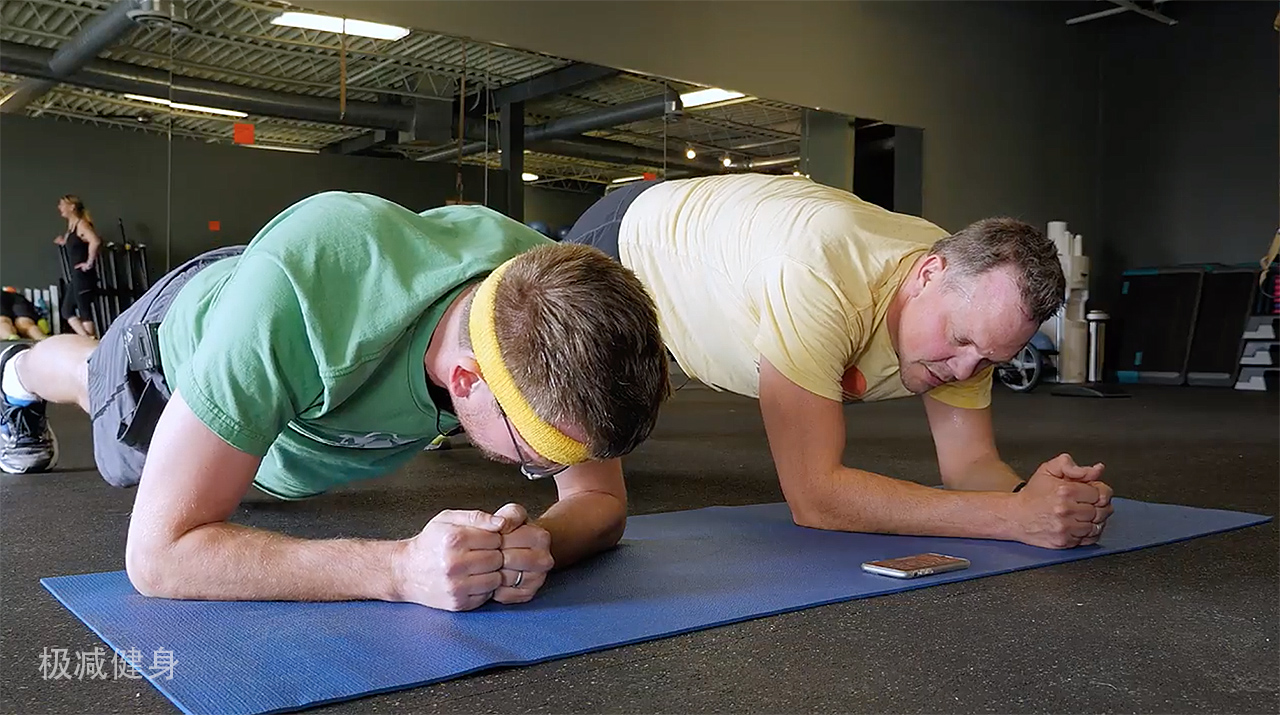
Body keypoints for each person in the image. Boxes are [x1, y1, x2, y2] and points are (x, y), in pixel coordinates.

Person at [0, 191, 671, 612]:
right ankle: (13, 372)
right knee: (88, 381)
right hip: (167, 362)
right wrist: (400, 569)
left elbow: (600, 501)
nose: (552, 469)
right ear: (466, 381)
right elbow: (158, 557)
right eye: (538, 456)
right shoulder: (295, 308)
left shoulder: (547, 295)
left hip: (285, 323)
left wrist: (532, 545)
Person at [564, 173, 1114, 550]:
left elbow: (969, 467)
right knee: (593, 499)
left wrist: (1039, 499)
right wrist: (1013, 520)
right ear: (927, 274)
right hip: (623, 244)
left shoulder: (970, 308)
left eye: (990, 359)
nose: (966, 370)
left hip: (721, 287)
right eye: (960, 341)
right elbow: (815, 498)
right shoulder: (823, 275)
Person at [54, 194, 102, 339]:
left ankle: (90, 342)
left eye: (62, 204)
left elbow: (95, 241)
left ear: (72, 207)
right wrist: (63, 242)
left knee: (84, 310)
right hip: (76, 276)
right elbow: (77, 243)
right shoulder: (72, 227)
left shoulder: (82, 224)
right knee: (66, 310)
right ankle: (88, 339)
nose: (60, 208)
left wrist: (89, 263)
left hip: (83, 275)